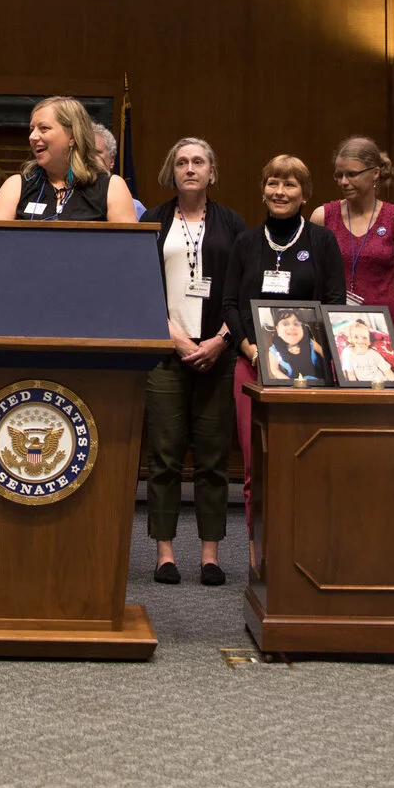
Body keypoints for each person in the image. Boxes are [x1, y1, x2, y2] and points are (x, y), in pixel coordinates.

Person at [145, 137, 245, 586]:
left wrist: (221, 340)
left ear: (211, 172)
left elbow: (240, 288)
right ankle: (165, 554)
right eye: (182, 162)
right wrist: (176, 339)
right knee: (165, 457)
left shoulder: (232, 223)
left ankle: (210, 555)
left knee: (212, 459)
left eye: (198, 161)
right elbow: (141, 285)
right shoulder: (153, 220)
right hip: (166, 353)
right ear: (172, 171)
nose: (190, 168)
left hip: (218, 353)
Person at [224, 155, 347, 490]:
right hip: (252, 365)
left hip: (310, 368)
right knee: (255, 466)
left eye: (289, 184)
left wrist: (316, 349)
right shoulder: (246, 242)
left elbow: (335, 302)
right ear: (263, 190)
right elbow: (230, 304)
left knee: (305, 460)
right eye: (273, 183)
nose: (279, 191)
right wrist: (251, 350)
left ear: (305, 194)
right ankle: (256, 528)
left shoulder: (322, 241)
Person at [314, 136, 394, 336]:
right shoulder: (323, 216)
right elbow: (316, 277)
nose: (344, 182)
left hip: (382, 329)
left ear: (375, 173)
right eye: (339, 175)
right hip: (335, 327)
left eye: (352, 174)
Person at [0, 96, 139, 222]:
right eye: (32, 129)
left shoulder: (111, 187)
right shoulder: (15, 186)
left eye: (44, 128)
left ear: (72, 136)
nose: (32, 137)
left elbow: (126, 246)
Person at [260, 308, 329, 384]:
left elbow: (324, 354)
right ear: (277, 329)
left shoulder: (310, 342)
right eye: (285, 323)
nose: (291, 327)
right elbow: (274, 370)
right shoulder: (274, 350)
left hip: (316, 383)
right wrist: (289, 382)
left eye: (296, 324)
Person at [95, 123, 149, 218]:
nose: (90, 158)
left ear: (112, 160)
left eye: (97, 153)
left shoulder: (135, 207)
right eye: (86, 153)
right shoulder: (69, 198)